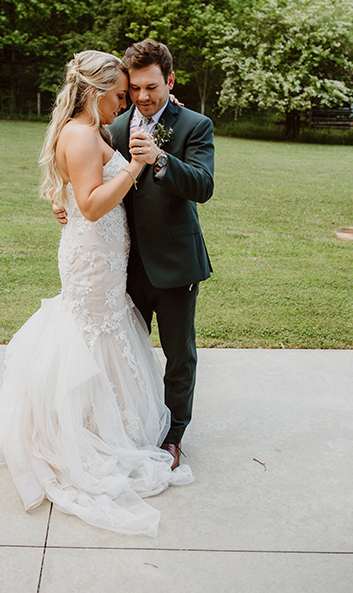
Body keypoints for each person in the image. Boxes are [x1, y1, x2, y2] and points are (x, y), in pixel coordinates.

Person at [0, 50, 193, 538]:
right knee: (90, 331)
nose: (126, 105)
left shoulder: (95, 128)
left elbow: (82, 193)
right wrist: (135, 168)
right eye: (120, 95)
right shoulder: (80, 134)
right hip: (92, 256)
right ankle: (83, 433)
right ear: (96, 92)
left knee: (105, 330)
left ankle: (99, 424)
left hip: (103, 256)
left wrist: (161, 105)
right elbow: (93, 205)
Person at [55, 39, 214, 469]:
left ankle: (175, 434)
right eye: (134, 89)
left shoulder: (195, 125)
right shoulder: (112, 125)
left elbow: (203, 185)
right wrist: (63, 198)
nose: (142, 98)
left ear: (170, 82)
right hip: (122, 267)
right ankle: (123, 427)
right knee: (126, 353)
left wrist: (162, 160)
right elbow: (84, 172)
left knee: (179, 353)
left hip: (176, 262)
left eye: (151, 88)